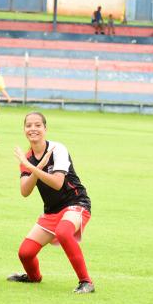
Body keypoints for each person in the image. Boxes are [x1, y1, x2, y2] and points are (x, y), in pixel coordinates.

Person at [7, 112, 95, 294]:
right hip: (52, 211)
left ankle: (86, 282)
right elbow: (25, 191)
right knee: (25, 253)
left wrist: (31, 167)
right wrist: (34, 167)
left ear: (45, 129)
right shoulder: (27, 158)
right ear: (24, 129)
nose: (33, 129)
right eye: (29, 125)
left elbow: (57, 183)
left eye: (38, 125)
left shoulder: (57, 149)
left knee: (63, 232)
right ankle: (33, 277)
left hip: (76, 202)